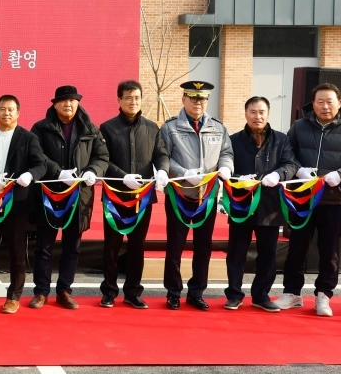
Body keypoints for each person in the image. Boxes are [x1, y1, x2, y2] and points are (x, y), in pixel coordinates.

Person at [279, 83, 341, 316]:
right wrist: (298, 170)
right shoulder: (299, 127)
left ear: (339, 103)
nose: (325, 106)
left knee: (330, 250)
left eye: (330, 101)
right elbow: (287, 154)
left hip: (334, 200)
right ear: (313, 104)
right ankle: (292, 293)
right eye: (320, 101)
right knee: (296, 247)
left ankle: (324, 295)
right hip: (302, 198)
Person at [30, 85, 108, 310]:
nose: (68, 104)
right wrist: (57, 172)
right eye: (63, 101)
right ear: (55, 104)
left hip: (79, 196)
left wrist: (93, 170)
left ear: (78, 103)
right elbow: (36, 155)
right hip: (49, 194)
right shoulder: (41, 128)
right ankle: (41, 292)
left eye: (73, 100)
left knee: (72, 247)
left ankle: (64, 291)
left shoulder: (90, 129)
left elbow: (102, 156)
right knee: (43, 247)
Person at [158, 81, 234, 310]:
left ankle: (197, 292)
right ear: (184, 99)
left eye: (202, 98)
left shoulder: (218, 127)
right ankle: (173, 292)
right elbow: (163, 157)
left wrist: (226, 167)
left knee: (203, 246)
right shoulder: (170, 128)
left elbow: (226, 152)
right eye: (193, 98)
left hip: (207, 195)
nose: (197, 102)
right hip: (179, 194)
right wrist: (183, 173)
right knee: (175, 246)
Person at [98, 80, 169, 310]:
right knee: (112, 246)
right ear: (119, 100)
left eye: (137, 97)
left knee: (137, 246)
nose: (133, 102)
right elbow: (102, 159)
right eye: (128, 97)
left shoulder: (152, 128)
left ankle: (133, 292)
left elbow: (161, 155)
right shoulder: (107, 128)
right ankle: (109, 292)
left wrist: (163, 171)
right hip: (115, 196)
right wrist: (122, 176)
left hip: (142, 198)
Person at [225, 96, 298, 312]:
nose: (257, 116)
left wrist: (278, 174)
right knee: (236, 252)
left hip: (270, 205)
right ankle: (234, 294)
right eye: (253, 112)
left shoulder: (282, 140)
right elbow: (225, 165)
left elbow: (291, 164)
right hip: (241, 203)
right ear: (245, 114)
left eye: (261, 112)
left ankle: (261, 295)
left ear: (268, 114)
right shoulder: (233, 140)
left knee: (268, 253)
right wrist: (236, 178)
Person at [0, 94, 45, 314]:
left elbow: (41, 165)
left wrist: (30, 175)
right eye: (2, 109)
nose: (6, 113)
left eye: (10, 109)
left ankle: (14, 296)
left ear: (18, 113)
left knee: (17, 251)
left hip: (17, 203)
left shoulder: (28, 138)